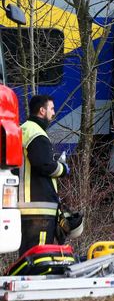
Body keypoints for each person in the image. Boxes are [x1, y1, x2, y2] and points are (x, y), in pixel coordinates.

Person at [18, 95, 70, 255]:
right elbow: (43, 164)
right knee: (37, 255)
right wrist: (63, 169)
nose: (53, 113)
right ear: (42, 110)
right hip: (38, 207)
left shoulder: (24, 129)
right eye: (52, 109)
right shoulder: (36, 133)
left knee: (28, 255)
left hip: (28, 205)